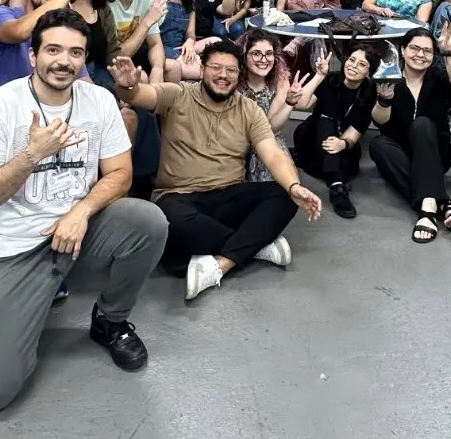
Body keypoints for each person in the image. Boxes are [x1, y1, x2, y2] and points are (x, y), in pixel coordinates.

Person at [0, 9, 168, 413]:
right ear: (33, 56)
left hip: (78, 233)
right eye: (53, 50)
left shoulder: (99, 100)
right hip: (14, 244)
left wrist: (81, 211)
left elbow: (120, 174)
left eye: (75, 52)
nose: (64, 61)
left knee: (147, 221)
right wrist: (31, 155)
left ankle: (110, 319)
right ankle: (24, 309)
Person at [108, 43, 323, 300]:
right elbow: (140, 95)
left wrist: (294, 186)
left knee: (284, 196)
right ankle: (257, 244)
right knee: (170, 224)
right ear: (202, 70)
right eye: (216, 68)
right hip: (179, 197)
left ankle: (223, 262)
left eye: (231, 70)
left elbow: (272, 153)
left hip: (230, 195)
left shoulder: (248, 109)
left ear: (239, 74)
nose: (223, 75)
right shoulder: (178, 94)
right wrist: (128, 86)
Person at [369, 26, 451, 242]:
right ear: (403, 50)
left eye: (427, 51)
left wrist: (448, 52)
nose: (420, 55)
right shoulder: (388, 75)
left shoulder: (437, 77)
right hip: (402, 153)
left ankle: (427, 213)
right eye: (414, 48)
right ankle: (441, 202)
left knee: (422, 124)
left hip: (435, 154)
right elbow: (379, 121)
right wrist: (384, 99)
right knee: (377, 144)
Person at [292, 45, 378, 218]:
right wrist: (319, 76)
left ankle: (331, 174)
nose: (353, 66)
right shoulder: (330, 80)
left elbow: (354, 133)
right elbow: (301, 104)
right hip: (312, 137)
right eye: (351, 60)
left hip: (337, 146)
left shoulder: (369, 93)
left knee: (348, 155)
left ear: (369, 73)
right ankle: (337, 185)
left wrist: (342, 143)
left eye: (362, 64)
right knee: (327, 120)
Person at [238, 29, 305, 181]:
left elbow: (271, 129)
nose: (264, 59)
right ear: (244, 55)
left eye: (269, 54)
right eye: (256, 53)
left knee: (282, 182)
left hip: (268, 139)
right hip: (236, 141)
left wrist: (290, 102)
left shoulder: (280, 82)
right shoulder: (234, 81)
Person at [65, 0, 124, 88]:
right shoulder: (61, 0)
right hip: (67, 75)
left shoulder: (103, 8)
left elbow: (112, 51)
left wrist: (124, 79)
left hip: (98, 72)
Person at [110, 0, 168, 83]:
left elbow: (155, 44)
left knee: (172, 68)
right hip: (108, 62)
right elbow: (116, 57)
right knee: (141, 78)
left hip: (136, 54)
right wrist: (148, 21)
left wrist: (158, 70)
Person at [156, 0, 201, 80]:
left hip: (182, 46)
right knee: (201, 71)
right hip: (160, 48)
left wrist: (190, 41)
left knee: (215, 41)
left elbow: (190, 32)